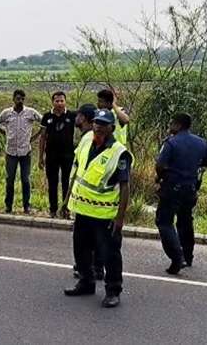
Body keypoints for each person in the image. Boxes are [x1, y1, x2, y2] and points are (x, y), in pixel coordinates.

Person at [64, 109, 132, 308]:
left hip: (105, 215)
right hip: (83, 211)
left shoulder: (119, 153)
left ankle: (113, 290)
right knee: (81, 250)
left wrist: (120, 219)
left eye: (103, 124)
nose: (99, 127)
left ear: (111, 127)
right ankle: (86, 282)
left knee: (109, 254)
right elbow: (77, 172)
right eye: (96, 123)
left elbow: (125, 187)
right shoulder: (86, 142)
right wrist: (67, 200)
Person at [155, 113, 207, 274]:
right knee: (185, 220)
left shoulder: (171, 143)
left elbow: (160, 165)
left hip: (172, 188)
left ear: (178, 125)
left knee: (164, 222)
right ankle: (188, 256)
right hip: (190, 189)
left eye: (171, 124)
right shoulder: (201, 142)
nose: (169, 126)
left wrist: (160, 177)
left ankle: (177, 257)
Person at [64, 104, 104, 280]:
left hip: (86, 200)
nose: (75, 118)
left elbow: (81, 171)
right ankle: (94, 267)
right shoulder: (90, 138)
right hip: (91, 200)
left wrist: (67, 199)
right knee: (94, 237)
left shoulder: (88, 139)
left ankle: (88, 269)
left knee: (84, 239)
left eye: (78, 115)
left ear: (84, 118)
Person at [0, 89, 43, 214]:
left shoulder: (30, 113)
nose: (19, 100)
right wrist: (4, 132)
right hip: (10, 153)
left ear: (24, 99)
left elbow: (44, 122)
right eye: (17, 98)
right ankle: (8, 206)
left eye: (22, 98)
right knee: (10, 180)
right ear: (13, 99)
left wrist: (36, 135)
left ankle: (27, 206)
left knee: (25, 180)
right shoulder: (7, 113)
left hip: (26, 152)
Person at [39, 92, 77, 218]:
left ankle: (66, 210)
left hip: (68, 155)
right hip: (51, 155)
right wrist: (40, 157)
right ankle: (53, 210)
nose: (59, 103)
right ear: (52, 102)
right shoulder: (47, 116)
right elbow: (43, 137)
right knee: (53, 183)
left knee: (67, 183)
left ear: (65, 102)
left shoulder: (72, 116)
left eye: (62, 101)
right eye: (57, 101)